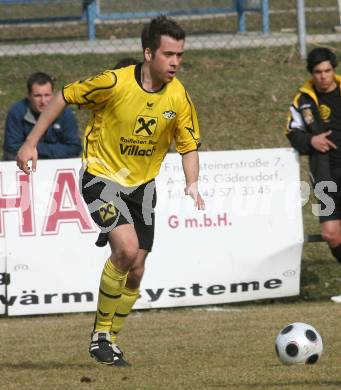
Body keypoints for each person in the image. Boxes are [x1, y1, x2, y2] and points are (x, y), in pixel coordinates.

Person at [16, 16, 205, 366]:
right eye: (168, 54)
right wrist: (30, 143)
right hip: (101, 177)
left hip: (142, 187)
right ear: (148, 53)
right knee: (127, 249)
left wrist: (192, 181)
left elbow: (189, 144)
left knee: (137, 268)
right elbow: (63, 96)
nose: (175, 61)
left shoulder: (178, 97)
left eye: (180, 54)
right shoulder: (113, 82)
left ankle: (111, 341)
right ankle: (100, 335)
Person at [286, 47, 341, 302]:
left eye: (328, 70)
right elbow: (292, 133)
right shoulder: (302, 101)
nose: (323, 76)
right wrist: (311, 140)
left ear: (334, 69)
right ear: (312, 73)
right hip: (324, 177)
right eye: (318, 72)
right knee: (331, 233)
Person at [3, 72, 82, 160]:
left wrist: (32, 147)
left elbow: (75, 148)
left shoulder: (65, 113)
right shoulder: (17, 113)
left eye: (47, 95)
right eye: (38, 96)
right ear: (28, 96)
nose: (43, 101)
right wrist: (55, 149)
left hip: (56, 165)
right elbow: (12, 148)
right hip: (26, 167)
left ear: (53, 94)